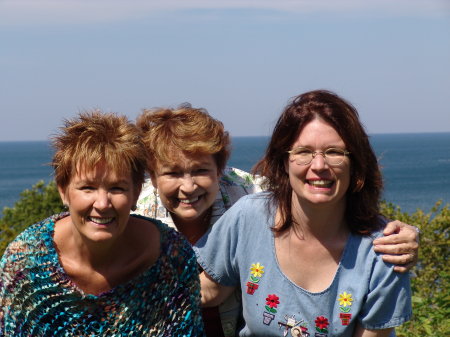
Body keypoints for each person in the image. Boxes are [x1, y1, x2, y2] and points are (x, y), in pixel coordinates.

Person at [134, 104, 418, 337]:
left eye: (334, 152)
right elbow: (208, 290)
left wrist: (401, 234)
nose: (188, 186)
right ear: (153, 176)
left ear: (220, 170)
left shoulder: (250, 197)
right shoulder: (136, 216)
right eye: (304, 152)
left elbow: (313, 196)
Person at [0, 111, 204, 336]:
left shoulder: (171, 258)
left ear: (136, 192)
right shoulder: (25, 263)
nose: (103, 203)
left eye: (117, 188)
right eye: (87, 188)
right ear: (63, 191)